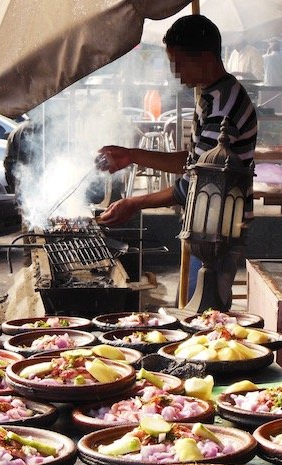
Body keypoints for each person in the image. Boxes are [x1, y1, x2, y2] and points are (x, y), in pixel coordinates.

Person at [98, 14, 257, 310]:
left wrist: (134, 203)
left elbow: (193, 185)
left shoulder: (224, 107)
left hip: (219, 233)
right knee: (193, 309)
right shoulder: (211, 95)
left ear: (205, 57)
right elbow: (192, 163)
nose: (175, 71)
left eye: (180, 62)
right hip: (205, 227)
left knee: (204, 316)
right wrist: (132, 155)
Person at [261, 41, 282, 113]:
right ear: (279, 49)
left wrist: (268, 51)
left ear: (271, 49)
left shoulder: (266, 58)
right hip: (281, 87)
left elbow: (262, 69)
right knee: (281, 109)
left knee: (269, 108)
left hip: (269, 86)